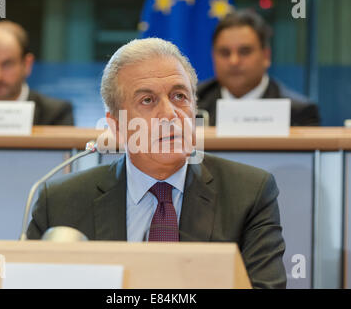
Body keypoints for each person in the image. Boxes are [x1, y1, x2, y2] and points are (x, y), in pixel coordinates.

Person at [27, 38, 286, 289]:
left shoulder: (249, 194)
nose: (170, 114)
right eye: (148, 100)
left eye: (179, 96)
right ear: (116, 125)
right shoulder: (60, 203)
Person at [197, 9, 320, 127]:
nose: (234, 61)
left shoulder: (298, 113)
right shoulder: (192, 104)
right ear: (213, 56)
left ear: (266, 56)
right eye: (225, 53)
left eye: (244, 52)